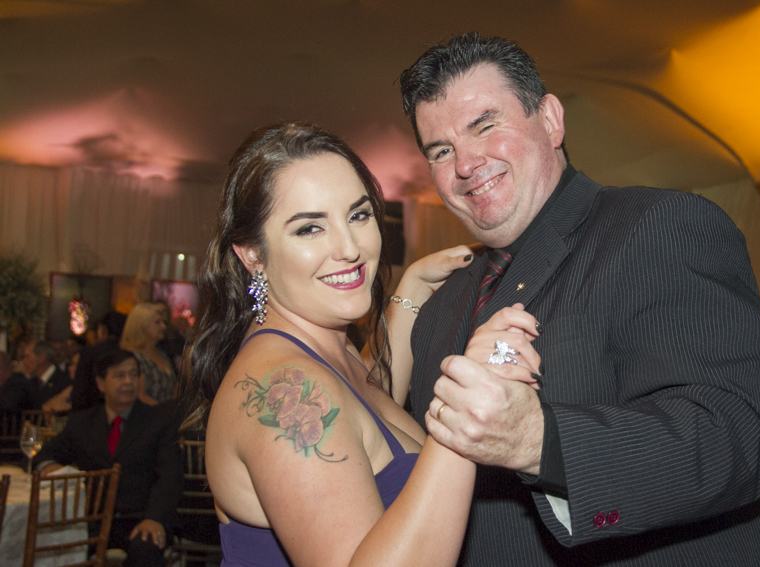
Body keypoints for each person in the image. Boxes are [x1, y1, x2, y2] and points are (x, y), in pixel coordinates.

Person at [397, 32, 760, 566]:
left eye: (485, 125)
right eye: (441, 151)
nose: (465, 164)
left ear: (551, 119)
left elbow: (738, 437)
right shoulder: (440, 306)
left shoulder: (660, 227)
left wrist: (538, 441)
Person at [184, 122, 540, 566]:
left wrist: (410, 293)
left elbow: (367, 413)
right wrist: (466, 411)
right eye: (309, 229)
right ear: (253, 254)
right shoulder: (286, 387)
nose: (350, 248)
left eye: (358, 215)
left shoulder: (328, 350)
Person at [33, 349, 183, 567]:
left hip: (139, 518)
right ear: (101, 384)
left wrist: (155, 518)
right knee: (50, 546)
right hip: (91, 521)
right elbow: (43, 456)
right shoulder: (83, 423)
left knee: (145, 551)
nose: (128, 382)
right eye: (120, 375)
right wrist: (52, 468)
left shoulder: (158, 421)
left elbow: (170, 476)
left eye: (133, 374)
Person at [121, 302, 177, 405]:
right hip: (148, 413)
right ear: (142, 326)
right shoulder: (133, 357)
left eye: (163, 322)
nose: (163, 326)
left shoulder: (161, 353)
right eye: (157, 322)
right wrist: (165, 410)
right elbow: (140, 395)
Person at [72, 310, 128, 411]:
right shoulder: (130, 352)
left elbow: (80, 393)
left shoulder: (90, 354)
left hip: (93, 411)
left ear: (103, 330)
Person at [21, 340, 72, 409]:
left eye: (27, 357)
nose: (24, 361)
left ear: (41, 358)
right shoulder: (31, 383)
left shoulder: (63, 381)